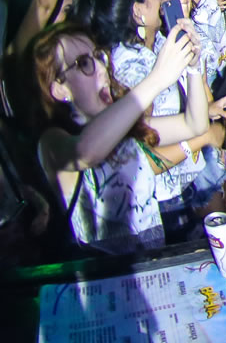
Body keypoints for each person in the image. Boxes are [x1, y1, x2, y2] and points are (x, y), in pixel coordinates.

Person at [32, 21, 215, 254]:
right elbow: (86, 153)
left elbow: (195, 124)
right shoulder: (52, 141)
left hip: (152, 264)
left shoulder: (122, 127)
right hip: (106, 274)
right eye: (84, 63)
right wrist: (157, 78)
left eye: (98, 56)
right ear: (60, 89)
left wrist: (193, 68)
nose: (101, 68)